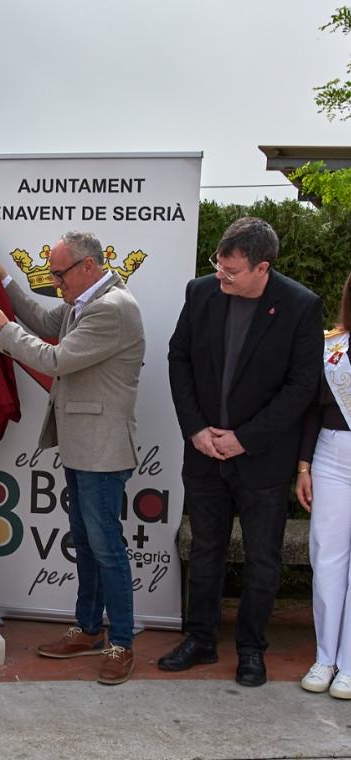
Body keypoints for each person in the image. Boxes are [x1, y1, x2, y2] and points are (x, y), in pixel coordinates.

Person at [0, 230, 145, 685]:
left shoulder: (111, 309)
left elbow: (56, 359)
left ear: (88, 267)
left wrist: (2, 329)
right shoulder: (85, 300)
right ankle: (89, 629)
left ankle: (121, 643)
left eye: (59, 273)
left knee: (106, 548)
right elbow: (48, 323)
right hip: (81, 444)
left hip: (102, 449)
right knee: (88, 544)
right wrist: (8, 284)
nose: (55, 281)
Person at [161, 216, 323, 687]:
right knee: (206, 549)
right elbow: (179, 358)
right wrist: (195, 429)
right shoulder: (201, 293)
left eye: (231, 271)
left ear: (262, 268)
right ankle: (200, 641)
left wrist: (245, 438)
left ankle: (252, 649)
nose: (221, 276)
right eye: (218, 265)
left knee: (262, 558)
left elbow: (301, 387)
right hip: (204, 453)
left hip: (262, 459)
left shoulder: (299, 306)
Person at [296, 272, 351, 698]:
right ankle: (325, 657)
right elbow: (312, 410)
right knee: (327, 557)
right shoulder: (332, 347)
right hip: (333, 457)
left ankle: (350, 664)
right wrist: (304, 467)